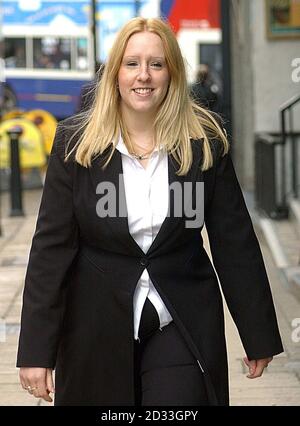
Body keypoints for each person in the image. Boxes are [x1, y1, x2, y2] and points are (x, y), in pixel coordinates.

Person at [17, 17, 283, 406]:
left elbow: (234, 241)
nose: (144, 76)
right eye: (132, 63)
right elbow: (50, 250)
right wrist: (36, 351)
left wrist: (257, 333)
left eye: (156, 64)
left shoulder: (204, 142)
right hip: (94, 324)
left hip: (180, 319)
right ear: (115, 74)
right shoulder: (75, 144)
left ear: (172, 72)